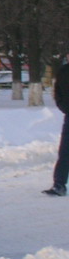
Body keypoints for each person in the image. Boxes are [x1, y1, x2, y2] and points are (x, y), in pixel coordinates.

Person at [43, 57, 69, 196]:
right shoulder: (64, 72)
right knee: (65, 152)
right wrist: (64, 107)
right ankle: (59, 185)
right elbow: (57, 92)